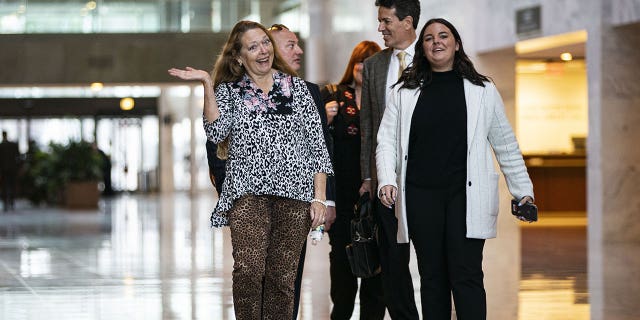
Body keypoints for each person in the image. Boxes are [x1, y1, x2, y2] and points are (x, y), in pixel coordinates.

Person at [168, 21, 333, 319]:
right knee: (248, 268)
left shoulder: (298, 89)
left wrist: (319, 197)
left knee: (282, 279)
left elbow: (316, 147)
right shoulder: (231, 92)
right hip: (247, 195)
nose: (263, 50)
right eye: (253, 46)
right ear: (239, 57)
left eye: (265, 43)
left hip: (294, 195)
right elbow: (216, 131)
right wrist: (207, 83)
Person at [376, 18, 536, 319]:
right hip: (421, 196)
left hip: (466, 195)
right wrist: (387, 179)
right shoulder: (404, 91)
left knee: (467, 275)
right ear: (422, 48)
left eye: (444, 35)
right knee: (432, 277)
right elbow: (386, 141)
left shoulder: (482, 90)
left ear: (456, 43)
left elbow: (506, 145)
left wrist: (523, 193)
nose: (437, 41)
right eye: (429, 38)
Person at [359, 0, 421, 318]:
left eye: (385, 21)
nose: (380, 28)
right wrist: (368, 178)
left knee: (431, 259)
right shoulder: (373, 66)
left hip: (424, 179)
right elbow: (369, 126)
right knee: (393, 262)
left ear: (407, 22)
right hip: (385, 181)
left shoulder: (431, 59)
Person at [321, 41, 385, 319]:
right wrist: (325, 117)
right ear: (353, 64)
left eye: (371, 62)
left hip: (376, 196)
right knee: (343, 265)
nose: (364, 67)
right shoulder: (334, 95)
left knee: (377, 266)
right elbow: (315, 146)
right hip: (343, 196)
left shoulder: (385, 99)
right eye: (360, 61)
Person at [0, 131, 20, 212]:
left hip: (4, 169)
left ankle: (6, 203)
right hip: (11, 169)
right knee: (11, 185)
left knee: (5, 186)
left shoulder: (1, 146)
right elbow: (17, 156)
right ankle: (11, 202)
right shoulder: (12, 145)